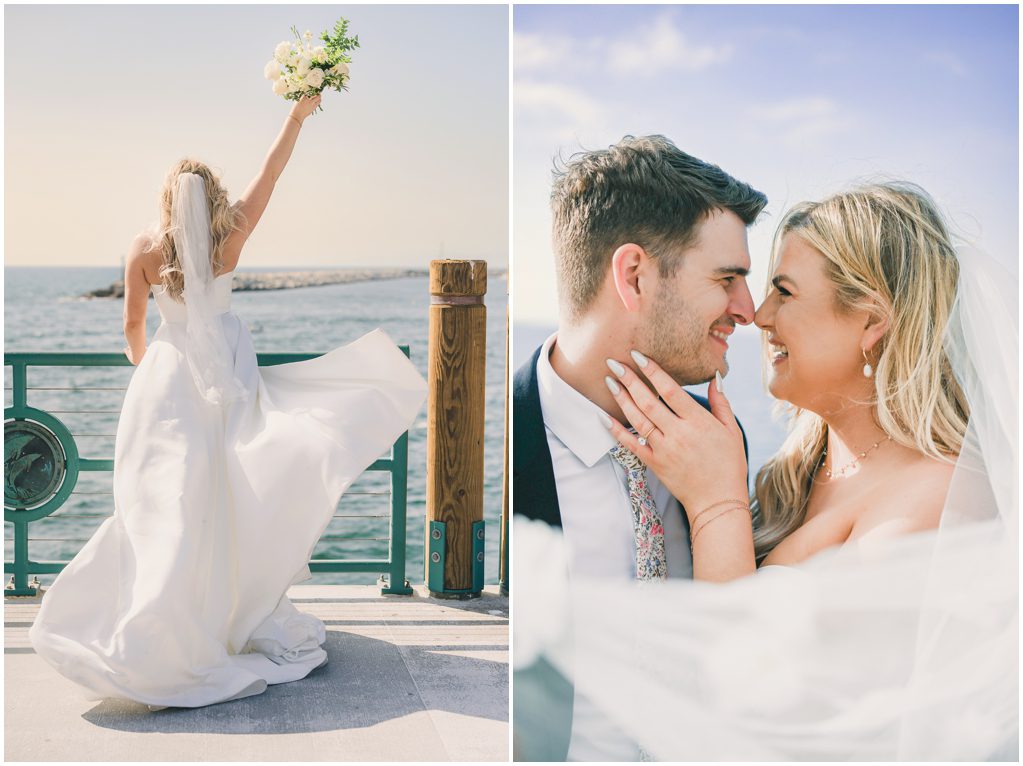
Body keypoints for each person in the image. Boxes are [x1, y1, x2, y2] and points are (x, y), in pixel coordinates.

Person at [516, 182, 1017, 760]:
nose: (757, 314)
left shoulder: (937, 498)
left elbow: (759, 717)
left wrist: (716, 508)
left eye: (783, 291)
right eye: (737, 282)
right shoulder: (791, 469)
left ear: (871, 322)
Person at [29, 95, 428, 709]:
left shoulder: (142, 251)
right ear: (212, 196)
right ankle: (223, 617)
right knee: (230, 501)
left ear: (166, 200)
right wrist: (296, 115)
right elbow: (273, 169)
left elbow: (134, 331)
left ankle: (155, 624)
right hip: (231, 381)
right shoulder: (231, 237)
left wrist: (152, 363)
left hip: (166, 382)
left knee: (162, 506)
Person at [512, 135, 767, 760]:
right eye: (728, 278)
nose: (749, 310)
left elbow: (742, 671)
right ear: (634, 276)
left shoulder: (719, 441)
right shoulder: (504, 447)